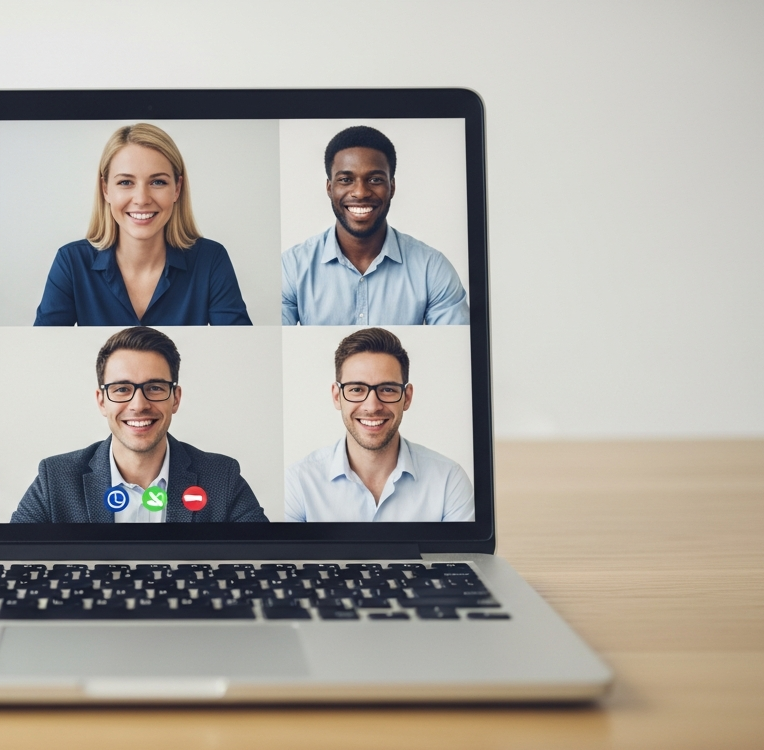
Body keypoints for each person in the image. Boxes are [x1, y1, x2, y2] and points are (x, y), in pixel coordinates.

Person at [11, 326, 266, 523]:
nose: (139, 404)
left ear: (175, 399)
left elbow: (264, 555)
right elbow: (15, 557)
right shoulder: (55, 478)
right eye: (122, 389)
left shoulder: (222, 477)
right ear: (102, 402)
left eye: (154, 387)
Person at [33, 123, 251, 326]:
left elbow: (239, 348)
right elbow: (43, 349)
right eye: (125, 182)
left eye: (158, 182)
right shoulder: (71, 262)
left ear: (177, 189)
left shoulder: (210, 260)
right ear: (106, 189)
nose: (142, 199)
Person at [281, 125, 469, 326]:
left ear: (392, 187)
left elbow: (453, 344)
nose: (360, 192)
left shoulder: (431, 267)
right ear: (329, 188)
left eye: (375, 179)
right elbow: (272, 344)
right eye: (346, 180)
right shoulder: (292, 267)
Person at [285, 328, 474, 522]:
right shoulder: (298, 483)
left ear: (407, 397)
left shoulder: (449, 481)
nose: (372, 406)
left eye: (387, 389)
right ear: (336, 396)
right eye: (357, 389)